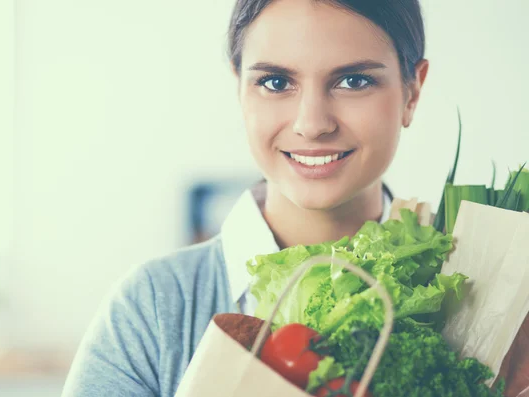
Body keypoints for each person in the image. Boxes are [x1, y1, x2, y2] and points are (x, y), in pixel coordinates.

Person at [61, 0, 527, 396]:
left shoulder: (494, 303)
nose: (312, 123)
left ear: (412, 91)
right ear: (240, 88)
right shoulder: (155, 310)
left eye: (354, 81)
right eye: (276, 82)